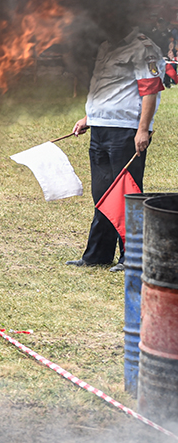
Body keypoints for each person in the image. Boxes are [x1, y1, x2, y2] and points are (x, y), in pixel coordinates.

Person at [67, 30, 165, 268]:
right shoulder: (106, 46)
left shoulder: (144, 48)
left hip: (126, 131)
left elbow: (150, 90)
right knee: (101, 194)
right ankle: (98, 255)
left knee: (127, 193)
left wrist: (143, 129)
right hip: (100, 128)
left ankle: (132, 257)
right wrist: (89, 117)